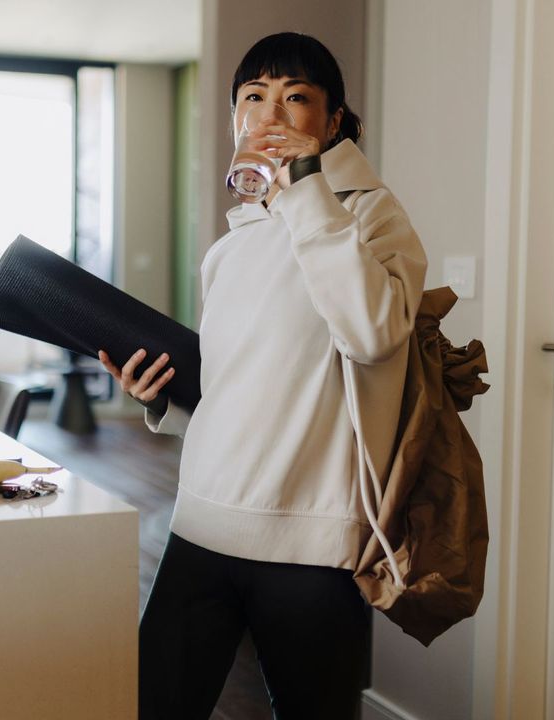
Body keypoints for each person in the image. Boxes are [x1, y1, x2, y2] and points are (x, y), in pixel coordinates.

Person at [99, 31, 428, 720]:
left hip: (308, 539)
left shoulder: (371, 214)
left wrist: (305, 189)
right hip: (203, 520)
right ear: (234, 120)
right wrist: (159, 396)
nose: (271, 114)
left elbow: (373, 336)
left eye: (296, 98)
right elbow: (235, 385)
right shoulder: (234, 243)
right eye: (254, 97)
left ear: (332, 121)